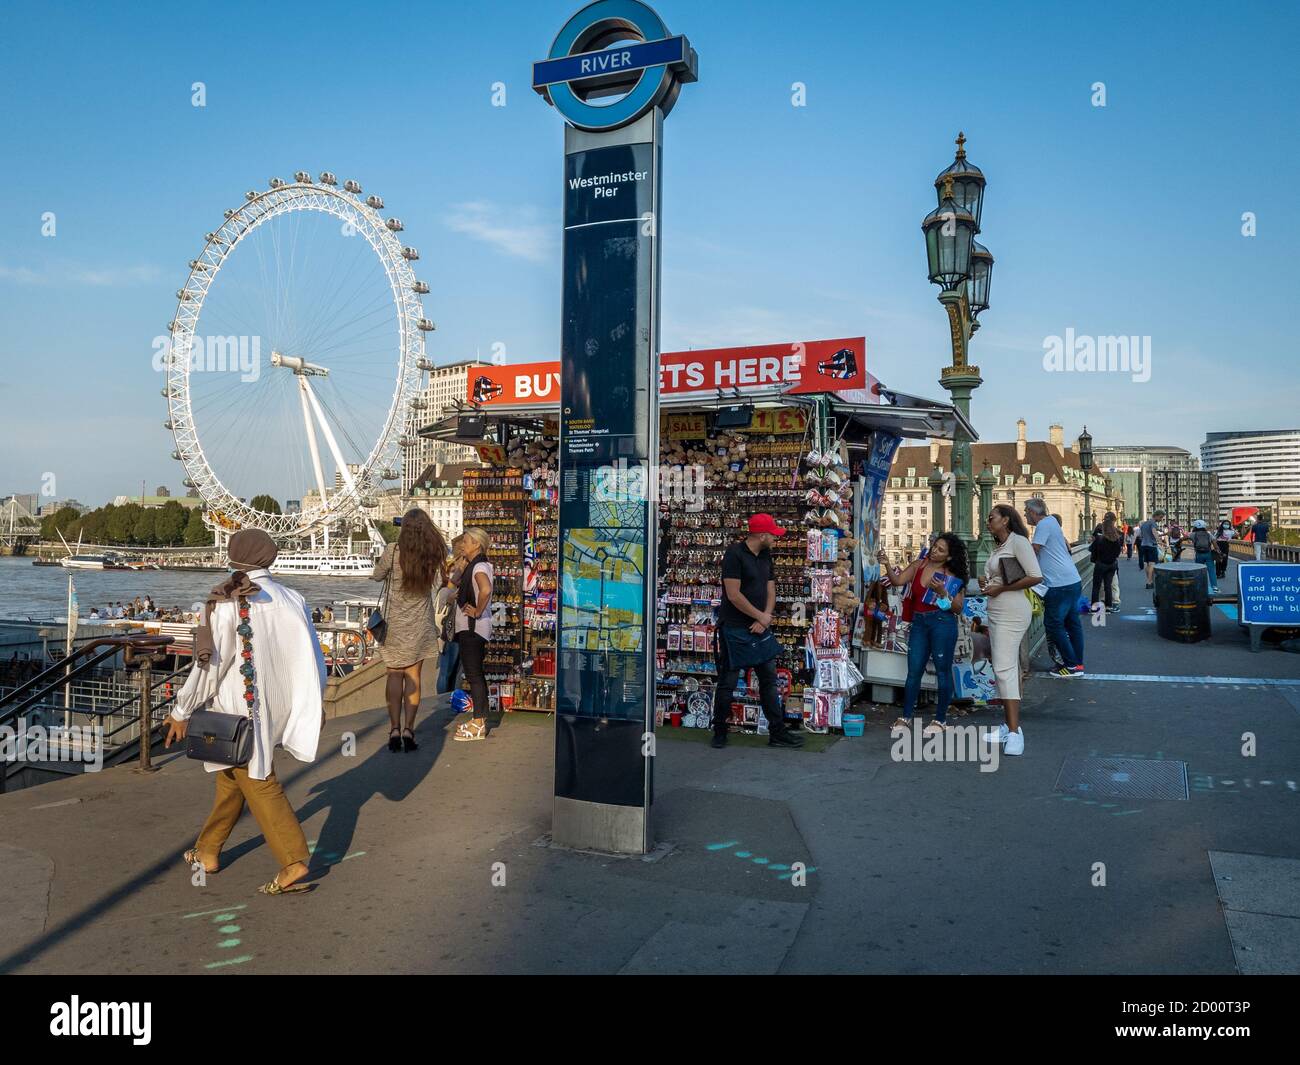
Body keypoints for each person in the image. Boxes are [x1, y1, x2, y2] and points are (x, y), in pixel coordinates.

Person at [164, 529, 326, 896]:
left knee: (258, 777)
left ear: (233, 557)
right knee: (231, 774)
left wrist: (181, 709)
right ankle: (207, 851)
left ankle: (293, 859)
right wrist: (315, 702)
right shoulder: (292, 596)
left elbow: (212, 665)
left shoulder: (230, 601)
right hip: (282, 701)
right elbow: (315, 658)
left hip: (243, 705)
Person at [712, 514, 803, 749]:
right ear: (762, 535)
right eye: (773, 534)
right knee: (728, 683)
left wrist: (765, 618)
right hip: (734, 628)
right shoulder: (734, 554)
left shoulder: (765, 555)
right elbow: (733, 594)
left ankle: (777, 732)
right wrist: (759, 616)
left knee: (769, 681)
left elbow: (770, 589)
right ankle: (719, 730)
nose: (776, 538)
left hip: (759, 627)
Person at [371, 509, 448, 752]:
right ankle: (408, 729)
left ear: (404, 528)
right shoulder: (432, 553)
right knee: (413, 676)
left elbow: (376, 576)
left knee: (394, 675)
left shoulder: (393, 551)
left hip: (394, 624)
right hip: (420, 624)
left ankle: (393, 729)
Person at [877, 532, 968, 735]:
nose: (935, 551)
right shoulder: (919, 565)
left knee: (943, 670)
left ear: (949, 557)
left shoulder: (951, 575)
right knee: (914, 670)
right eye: (935, 547)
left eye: (941, 550)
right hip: (919, 622)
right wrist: (886, 564)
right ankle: (906, 716)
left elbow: (958, 608)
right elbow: (898, 581)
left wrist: (944, 592)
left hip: (942, 622)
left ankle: (940, 719)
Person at [979, 504, 1044, 756]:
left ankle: (1016, 733)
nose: (988, 521)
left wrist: (1001, 589)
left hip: (1012, 611)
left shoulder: (1018, 542)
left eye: (991, 517)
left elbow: (1035, 576)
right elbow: (1003, 576)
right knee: (1007, 668)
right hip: (997, 610)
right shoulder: (1000, 546)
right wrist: (989, 583)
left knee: (1004, 669)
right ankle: (1008, 725)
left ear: (1005, 520)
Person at [1025, 498, 1085, 677]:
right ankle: (1077, 664)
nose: (1025, 515)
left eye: (1026, 511)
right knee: (1072, 623)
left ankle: (1071, 665)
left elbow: (1033, 550)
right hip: (1072, 580)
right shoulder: (1052, 521)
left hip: (1058, 584)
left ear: (1033, 512)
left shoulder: (1043, 524)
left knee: (1053, 624)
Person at [453, 527, 494, 741]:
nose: (462, 544)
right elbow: (453, 583)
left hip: (473, 628)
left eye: (466, 541)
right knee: (475, 674)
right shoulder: (477, 564)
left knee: (474, 675)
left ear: (476, 544)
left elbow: (485, 589)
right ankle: (480, 718)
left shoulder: (478, 566)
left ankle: (479, 723)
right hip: (474, 628)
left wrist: (477, 610)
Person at [1090, 512, 1123, 613]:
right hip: (1112, 564)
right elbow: (1118, 552)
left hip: (1100, 564)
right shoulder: (1117, 538)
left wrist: (1096, 559)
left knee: (1097, 586)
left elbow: (1092, 549)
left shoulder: (1100, 538)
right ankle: (1109, 606)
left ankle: (1095, 607)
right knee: (1108, 585)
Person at [1190, 519, 1219, 595]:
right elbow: (1214, 542)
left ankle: (1199, 587)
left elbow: (1185, 538)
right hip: (1208, 554)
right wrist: (1218, 550)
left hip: (1199, 554)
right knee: (1211, 570)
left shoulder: (1193, 534)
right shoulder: (1208, 533)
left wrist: (1179, 542)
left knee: (1198, 571)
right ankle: (1215, 587)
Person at [1137, 510, 1164, 588]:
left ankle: (1150, 580)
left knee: (1147, 563)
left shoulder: (1144, 524)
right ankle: (1149, 582)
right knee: (1152, 563)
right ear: (1156, 515)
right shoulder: (1153, 523)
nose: (1161, 519)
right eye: (1160, 517)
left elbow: (1141, 535)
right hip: (1151, 545)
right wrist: (1159, 541)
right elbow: (1154, 532)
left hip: (1143, 545)